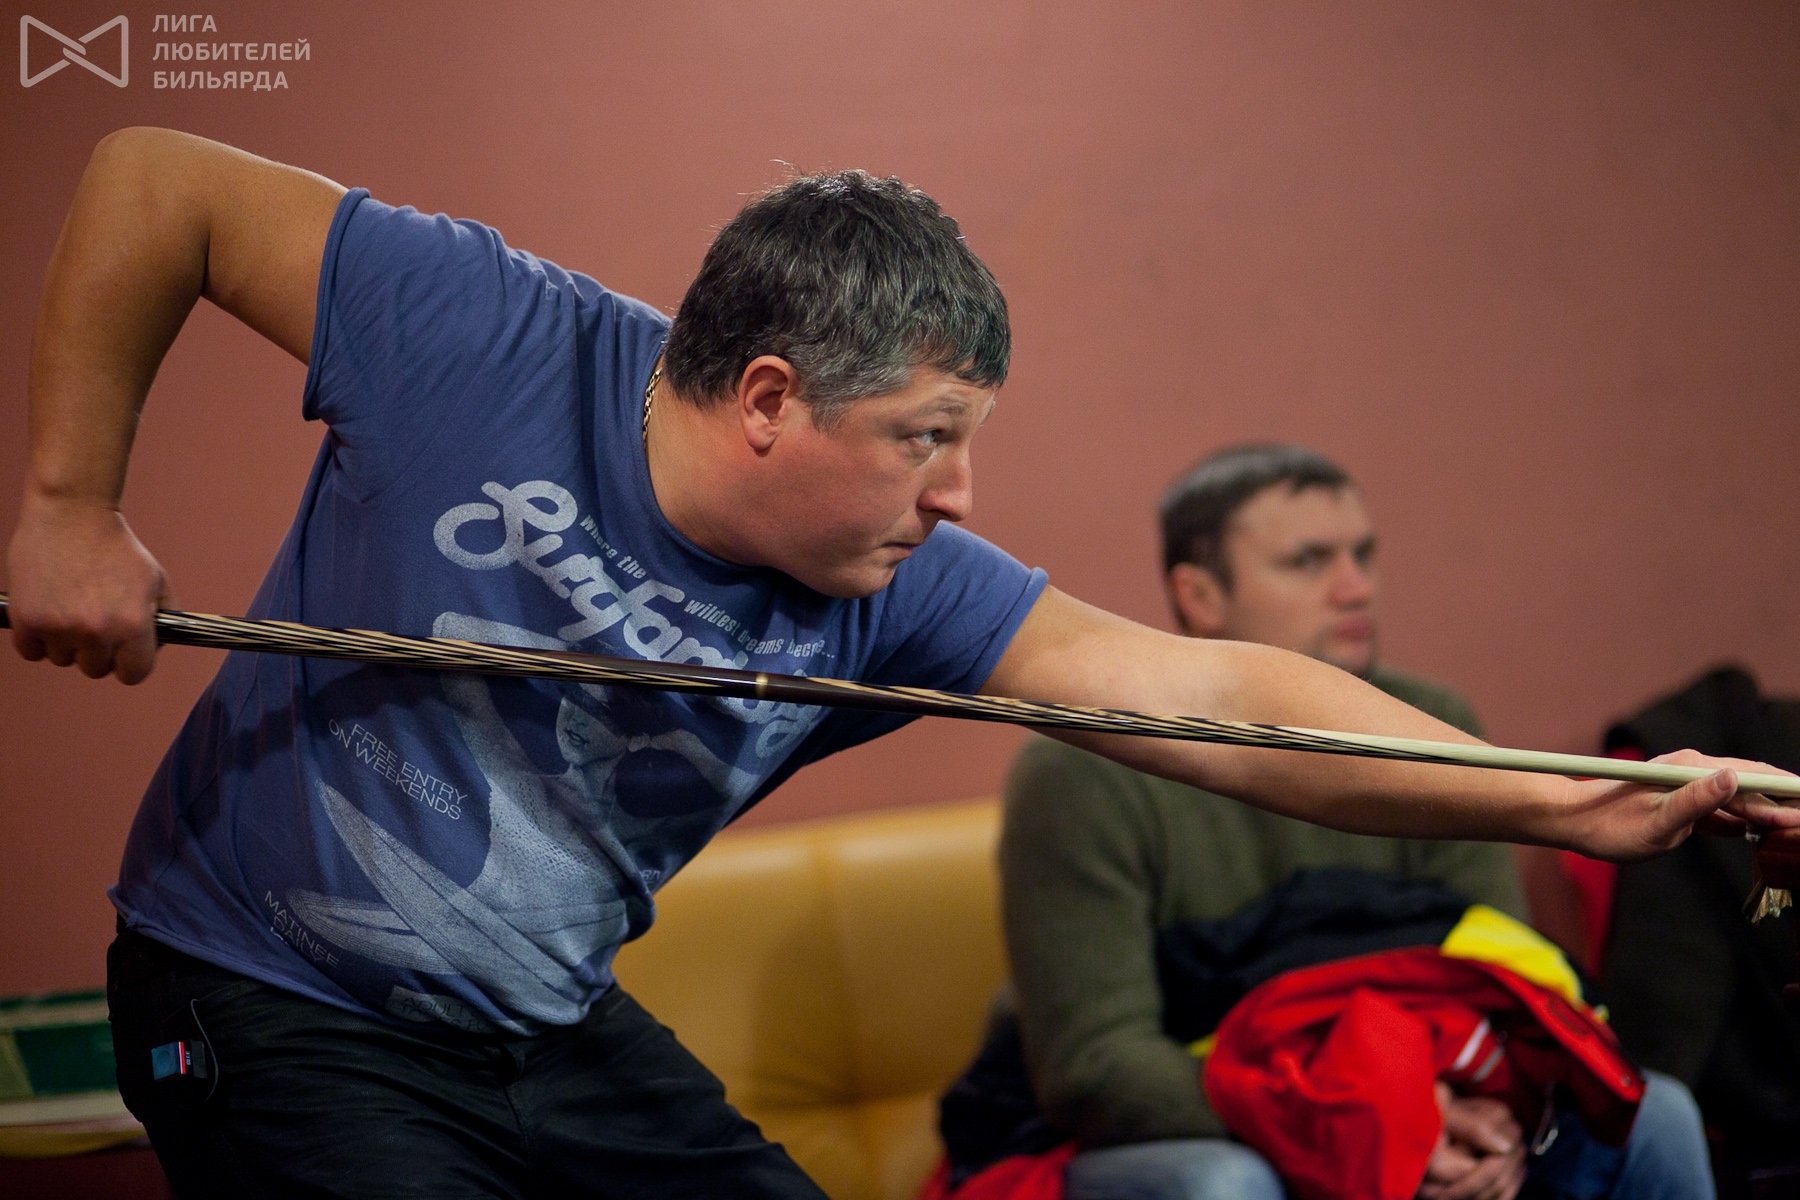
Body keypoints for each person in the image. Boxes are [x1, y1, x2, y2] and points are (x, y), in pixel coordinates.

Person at [5, 128, 1786, 1200]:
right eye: (928, 438)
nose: (960, 494)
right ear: (771, 399)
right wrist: (72, 509)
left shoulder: (896, 590)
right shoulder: (487, 333)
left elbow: (1215, 697)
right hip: (265, 991)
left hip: (533, 1025)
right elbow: (164, 184)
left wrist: (1576, 802)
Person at [992, 444, 1715, 1200]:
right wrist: (1369, 1115)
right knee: (1222, 1186)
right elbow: (1097, 1067)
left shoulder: (1431, 720)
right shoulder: (1079, 769)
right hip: (1218, 1124)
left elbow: (1504, 982)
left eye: (1363, 555)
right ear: (1199, 596)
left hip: (1431, 1084)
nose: (1356, 587)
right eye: (1309, 561)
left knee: (1657, 1116)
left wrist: (1476, 1109)